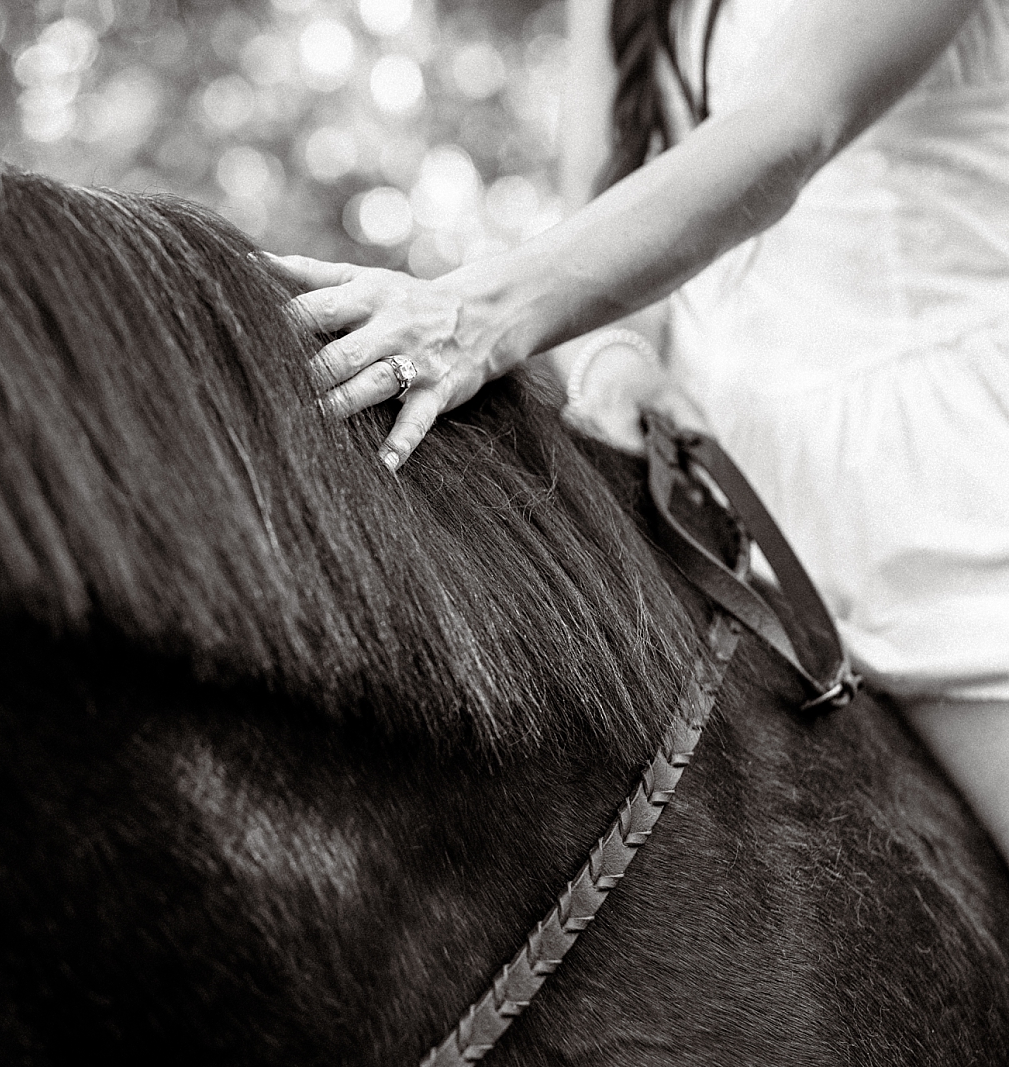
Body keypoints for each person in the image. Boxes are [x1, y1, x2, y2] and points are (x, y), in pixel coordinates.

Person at [274, 0, 1009, 863]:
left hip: (947, 488)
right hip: (723, 502)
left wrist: (468, 314)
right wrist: (615, 359)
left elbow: (793, 125)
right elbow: (603, 204)